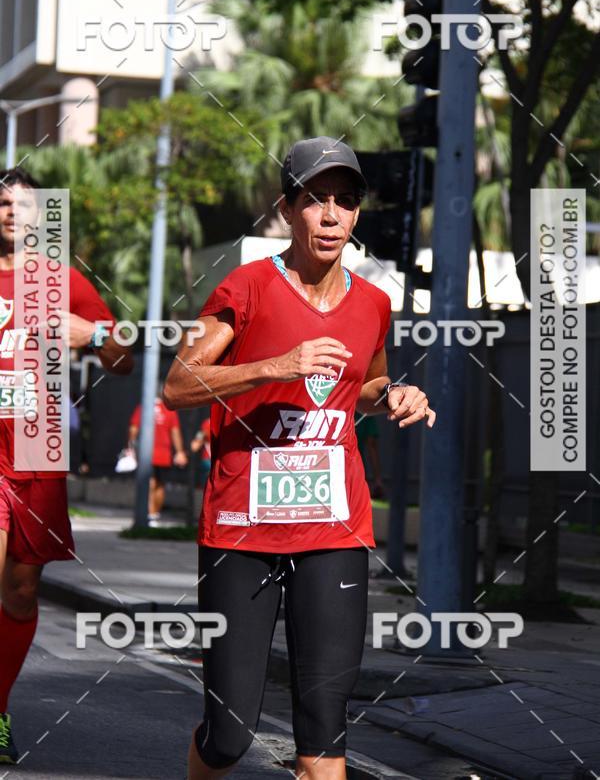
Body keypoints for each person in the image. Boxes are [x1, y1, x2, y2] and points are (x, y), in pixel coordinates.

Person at [163, 136, 436, 780]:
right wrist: (275, 366)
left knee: (324, 729)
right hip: (242, 530)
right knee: (230, 736)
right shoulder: (245, 288)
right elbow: (178, 386)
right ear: (289, 210)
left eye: (346, 202)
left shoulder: (373, 303)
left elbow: (365, 387)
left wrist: (394, 395)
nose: (333, 215)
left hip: (334, 528)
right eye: (317, 201)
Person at [0, 168, 134, 764]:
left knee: (22, 590)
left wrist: (95, 332)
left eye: (22, 204)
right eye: (2, 204)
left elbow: (124, 358)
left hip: (36, 446)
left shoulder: (58, 281)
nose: (11, 213)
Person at [128, 394, 188, 524]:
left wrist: (130, 447)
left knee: (151, 484)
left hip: (146, 454)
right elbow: (175, 431)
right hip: (164, 454)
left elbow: (133, 428)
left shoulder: (144, 406)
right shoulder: (169, 409)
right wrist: (179, 452)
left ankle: (150, 515)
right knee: (159, 485)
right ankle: (153, 514)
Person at [355, 413, 385, 499]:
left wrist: (377, 480)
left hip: (355, 472)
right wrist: (378, 480)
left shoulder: (365, 415)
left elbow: (372, 446)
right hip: (356, 471)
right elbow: (372, 447)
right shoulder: (365, 413)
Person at [190, 416, 211, 488]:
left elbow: (202, 433)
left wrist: (197, 441)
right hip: (209, 460)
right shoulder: (208, 422)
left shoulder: (208, 422)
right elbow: (202, 433)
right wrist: (197, 441)